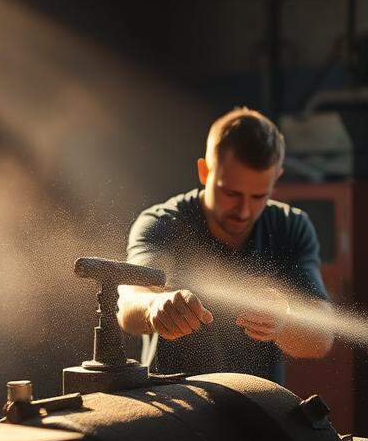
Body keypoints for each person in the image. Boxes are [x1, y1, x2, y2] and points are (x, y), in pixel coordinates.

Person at [117, 107, 334, 380]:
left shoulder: (291, 227)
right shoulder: (163, 223)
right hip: (175, 408)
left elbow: (323, 338)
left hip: (258, 406)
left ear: (276, 178)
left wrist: (285, 320)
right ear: (204, 171)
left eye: (258, 196)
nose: (244, 211)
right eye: (231, 193)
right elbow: (127, 304)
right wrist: (154, 307)